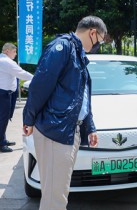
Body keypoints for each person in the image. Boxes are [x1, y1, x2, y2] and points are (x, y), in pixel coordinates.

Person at [23, 15, 107, 210]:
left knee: (58, 192)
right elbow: (40, 85)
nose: (98, 45)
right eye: (100, 40)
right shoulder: (63, 48)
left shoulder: (77, 53)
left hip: (67, 130)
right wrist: (29, 118)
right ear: (92, 32)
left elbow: (82, 97)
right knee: (55, 199)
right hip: (55, 130)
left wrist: (90, 127)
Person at [0, 43, 33, 153]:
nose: (15, 54)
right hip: (3, 94)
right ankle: (1, 144)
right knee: (2, 119)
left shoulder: (4, 60)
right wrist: (37, 78)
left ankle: (3, 139)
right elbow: (21, 73)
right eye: (14, 52)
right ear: (7, 51)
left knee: (4, 118)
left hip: (6, 93)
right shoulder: (6, 62)